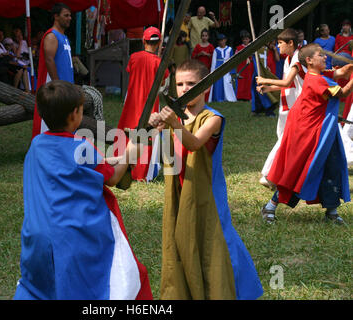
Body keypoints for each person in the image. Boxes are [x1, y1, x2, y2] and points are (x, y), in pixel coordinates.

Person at [14, 80, 152, 300]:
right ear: (74, 115)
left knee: (42, 289)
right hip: (72, 238)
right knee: (124, 278)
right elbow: (113, 178)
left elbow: (76, 166)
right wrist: (130, 151)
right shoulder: (82, 146)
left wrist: (110, 158)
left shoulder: (37, 144)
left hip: (37, 236)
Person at [148, 59, 263, 300]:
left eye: (191, 83)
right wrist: (152, 126)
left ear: (205, 85)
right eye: (179, 84)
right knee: (180, 242)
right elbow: (149, 141)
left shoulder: (213, 118)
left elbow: (195, 143)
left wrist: (171, 123)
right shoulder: (176, 117)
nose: (183, 89)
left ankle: (231, 291)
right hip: (179, 190)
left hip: (207, 193)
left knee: (214, 242)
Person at [262, 43, 353, 225]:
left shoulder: (320, 74)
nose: (325, 57)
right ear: (310, 61)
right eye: (321, 55)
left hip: (325, 132)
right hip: (310, 134)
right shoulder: (315, 80)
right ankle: (270, 206)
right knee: (299, 170)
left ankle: (332, 212)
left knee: (331, 166)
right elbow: (342, 92)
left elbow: (341, 73)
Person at [256, 29, 306, 193]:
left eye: (280, 43)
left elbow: (286, 82)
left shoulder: (298, 58)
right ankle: (281, 175)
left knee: (284, 141)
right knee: (283, 140)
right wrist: (268, 87)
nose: (277, 47)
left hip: (298, 107)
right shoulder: (288, 60)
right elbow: (288, 84)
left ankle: (269, 175)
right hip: (287, 105)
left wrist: (264, 79)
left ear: (290, 43)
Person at [116, 26, 169, 181]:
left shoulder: (134, 57)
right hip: (150, 104)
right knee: (148, 134)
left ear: (143, 40)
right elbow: (163, 83)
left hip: (132, 102)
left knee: (128, 132)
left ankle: (122, 166)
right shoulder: (159, 62)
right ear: (159, 42)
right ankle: (143, 172)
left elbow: (131, 70)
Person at [32, 2, 74, 139]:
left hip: (66, 86)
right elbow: (49, 60)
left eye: (70, 15)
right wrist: (56, 84)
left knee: (65, 122)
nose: (69, 18)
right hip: (55, 86)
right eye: (66, 15)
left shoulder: (64, 37)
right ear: (56, 16)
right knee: (51, 122)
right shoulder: (52, 36)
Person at [208, 33, 236, 102]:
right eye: (220, 40)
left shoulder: (229, 49)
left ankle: (229, 98)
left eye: (223, 40)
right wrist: (212, 71)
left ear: (225, 40)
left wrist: (232, 71)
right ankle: (218, 98)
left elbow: (232, 61)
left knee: (227, 82)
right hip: (218, 67)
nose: (221, 42)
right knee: (218, 83)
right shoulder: (216, 50)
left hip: (226, 67)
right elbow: (214, 61)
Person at [235, 31, 254, 101]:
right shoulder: (239, 47)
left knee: (249, 81)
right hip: (241, 66)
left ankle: (248, 96)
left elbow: (254, 56)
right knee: (241, 81)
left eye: (247, 39)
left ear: (249, 39)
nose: (245, 40)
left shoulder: (252, 46)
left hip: (249, 66)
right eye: (244, 39)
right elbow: (236, 57)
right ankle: (240, 96)